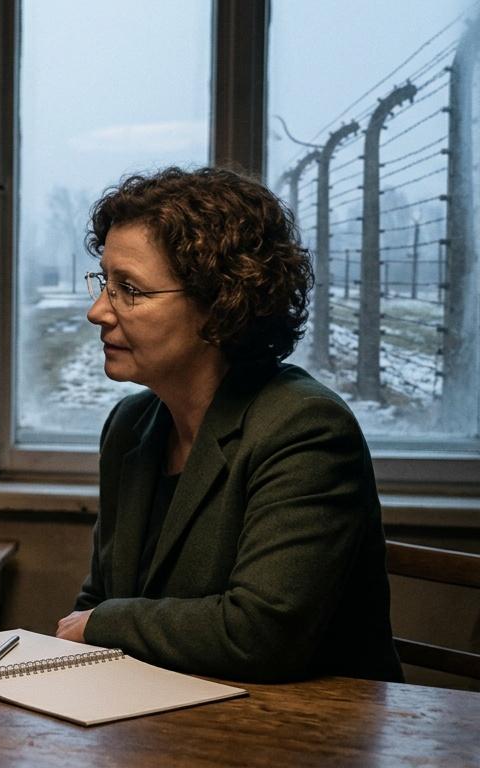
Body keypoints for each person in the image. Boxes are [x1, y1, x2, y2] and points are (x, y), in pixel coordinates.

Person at [56, 166, 401, 683]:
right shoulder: (129, 426)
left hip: (307, 737)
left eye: (129, 289)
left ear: (221, 302)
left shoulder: (306, 428)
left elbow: (260, 633)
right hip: (156, 723)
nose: (97, 311)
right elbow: (97, 602)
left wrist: (103, 624)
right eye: (105, 282)